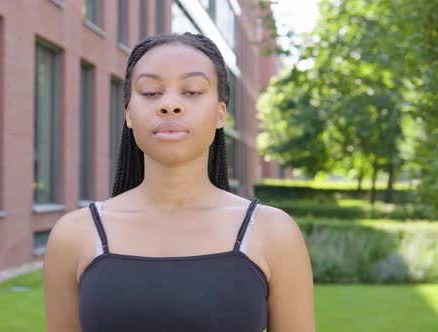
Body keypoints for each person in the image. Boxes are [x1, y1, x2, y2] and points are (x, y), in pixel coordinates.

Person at [43, 32, 315, 332]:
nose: (170, 105)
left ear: (220, 113)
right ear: (129, 114)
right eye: (150, 92)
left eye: (193, 91)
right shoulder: (75, 235)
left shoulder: (272, 233)